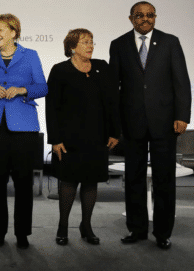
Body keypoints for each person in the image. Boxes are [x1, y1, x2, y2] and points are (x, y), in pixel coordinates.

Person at [109, 1, 191, 250]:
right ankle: (136, 229)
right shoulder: (119, 44)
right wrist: (115, 124)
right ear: (131, 18)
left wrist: (182, 115)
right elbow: (114, 87)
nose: (145, 19)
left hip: (165, 123)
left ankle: (163, 232)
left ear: (155, 17)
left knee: (164, 179)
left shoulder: (170, 42)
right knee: (133, 178)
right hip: (132, 123)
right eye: (139, 15)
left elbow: (181, 81)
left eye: (149, 15)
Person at [0, 13, 48, 248]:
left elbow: (42, 86)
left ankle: (22, 232)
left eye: (1, 30)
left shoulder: (30, 55)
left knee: (24, 182)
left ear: (14, 32)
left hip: (24, 127)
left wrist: (23, 89)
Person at [46, 29, 120, 246]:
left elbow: (112, 101)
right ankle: (62, 226)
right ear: (72, 47)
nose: (90, 45)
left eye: (91, 42)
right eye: (85, 42)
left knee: (91, 182)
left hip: (97, 137)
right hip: (69, 139)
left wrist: (115, 131)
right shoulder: (60, 70)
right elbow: (52, 108)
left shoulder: (102, 67)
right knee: (68, 182)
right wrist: (55, 139)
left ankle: (86, 226)